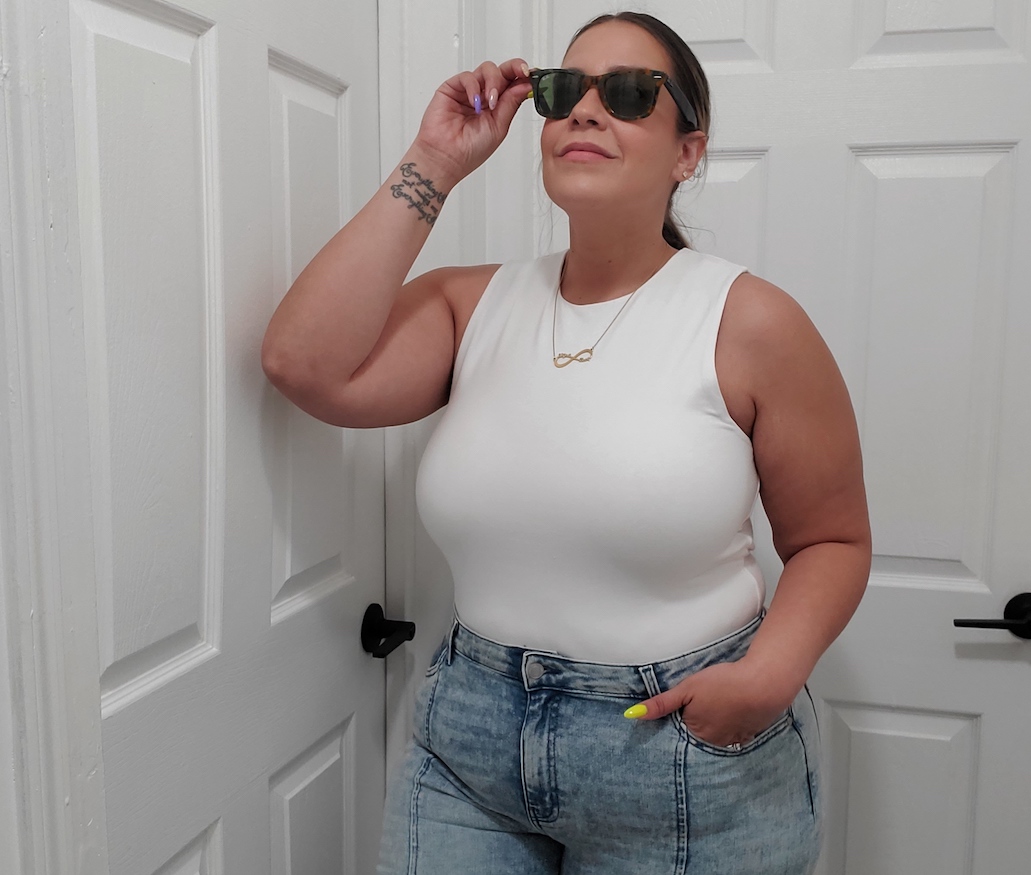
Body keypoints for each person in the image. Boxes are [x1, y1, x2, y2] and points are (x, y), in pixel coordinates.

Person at [262, 10, 871, 874]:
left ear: (687, 152)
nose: (586, 111)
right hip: (469, 740)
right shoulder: (472, 306)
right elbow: (302, 362)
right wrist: (434, 162)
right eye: (562, 91)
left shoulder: (749, 321)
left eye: (628, 94)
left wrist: (767, 678)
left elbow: (832, 539)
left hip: (680, 753)